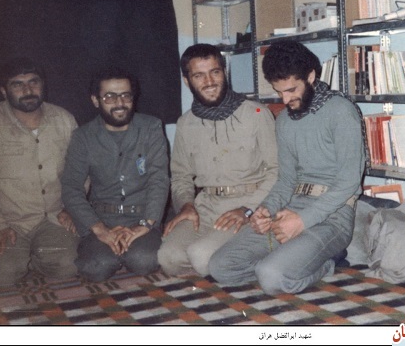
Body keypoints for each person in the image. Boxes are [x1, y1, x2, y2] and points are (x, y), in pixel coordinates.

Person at [209, 40, 365, 295]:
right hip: (290, 209)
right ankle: (291, 262)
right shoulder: (284, 120)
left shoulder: (341, 111)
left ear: (311, 77)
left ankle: (324, 263)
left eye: (292, 90)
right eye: (279, 91)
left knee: (272, 278)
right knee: (220, 267)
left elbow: (349, 183)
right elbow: (286, 181)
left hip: (334, 217)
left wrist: (303, 221)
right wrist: (264, 211)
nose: (285, 99)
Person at [158, 43, 278, 276]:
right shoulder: (185, 123)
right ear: (187, 81)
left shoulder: (256, 113)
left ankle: (259, 255)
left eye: (215, 72)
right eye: (199, 75)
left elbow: (277, 170)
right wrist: (186, 205)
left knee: (201, 256)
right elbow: (181, 176)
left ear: (225, 72)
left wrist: (248, 209)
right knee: (168, 258)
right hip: (206, 207)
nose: (210, 82)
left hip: (250, 204)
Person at [61, 66, 169, 282]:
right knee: (95, 268)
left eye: (125, 95)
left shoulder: (151, 127)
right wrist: (99, 229)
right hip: (102, 218)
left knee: (143, 260)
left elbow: (159, 180)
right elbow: (71, 187)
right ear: (95, 100)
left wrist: (146, 224)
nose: (119, 103)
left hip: (142, 216)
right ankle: (112, 254)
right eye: (110, 97)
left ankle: (130, 252)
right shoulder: (83, 137)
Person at [0, 57, 79, 286]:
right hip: (10, 221)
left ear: (43, 85)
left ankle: (34, 257)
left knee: (69, 266)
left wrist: (72, 208)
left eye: (33, 82)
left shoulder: (63, 119)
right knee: (1, 275)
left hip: (54, 217)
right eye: (17, 84)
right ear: (4, 91)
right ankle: (22, 258)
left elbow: (81, 172)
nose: (28, 90)